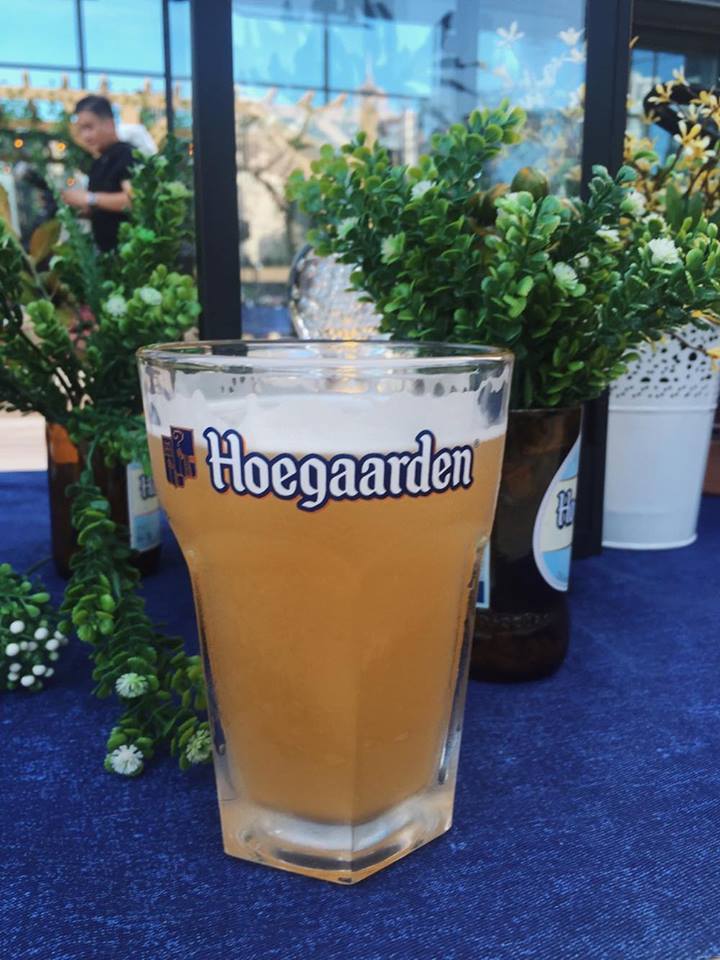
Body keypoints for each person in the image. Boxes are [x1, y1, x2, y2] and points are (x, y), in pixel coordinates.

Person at [61, 95, 134, 253]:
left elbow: (133, 201)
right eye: (81, 130)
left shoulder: (126, 155)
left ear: (109, 124)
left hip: (129, 255)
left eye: (89, 127)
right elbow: (103, 207)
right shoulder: (98, 163)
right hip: (105, 255)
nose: (85, 136)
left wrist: (89, 198)